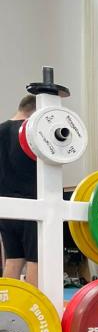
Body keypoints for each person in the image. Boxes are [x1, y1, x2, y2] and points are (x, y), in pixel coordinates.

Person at [0, 95, 38, 286]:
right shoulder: (35, 133)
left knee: (13, 261)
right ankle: (33, 305)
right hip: (32, 207)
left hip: (6, 208)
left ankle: (6, 304)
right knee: (35, 262)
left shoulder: (1, 130)